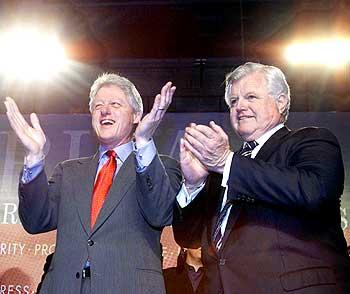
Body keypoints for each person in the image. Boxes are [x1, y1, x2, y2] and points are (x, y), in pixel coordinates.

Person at [173, 62, 350, 293]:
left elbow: (314, 191)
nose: (240, 106)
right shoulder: (224, 168)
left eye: (251, 97)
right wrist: (193, 184)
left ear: (282, 101)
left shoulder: (312, 141)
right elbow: (188, 238)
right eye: (234, 101)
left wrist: (225, 162)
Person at [4, 73, 182, 294]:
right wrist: (34, 158)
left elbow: (161, 213)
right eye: (98, 106)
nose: (105, 110)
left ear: (137, 115)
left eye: (115, 104)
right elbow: (35, 221)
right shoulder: (67, 171)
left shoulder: (161, 168)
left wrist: (144, 141)